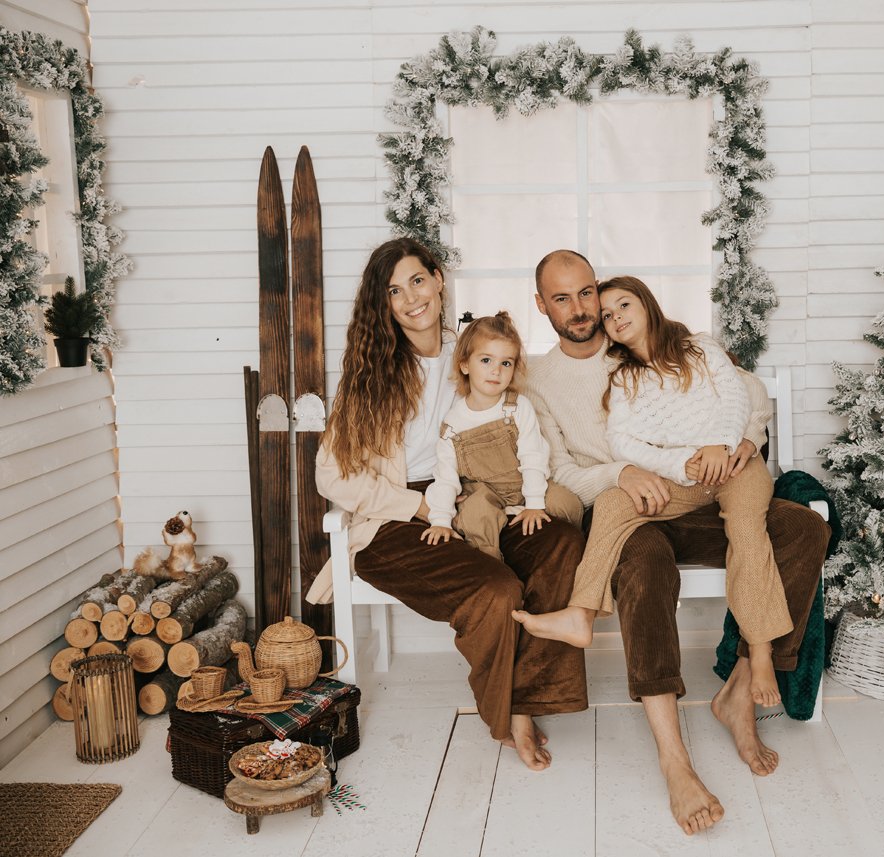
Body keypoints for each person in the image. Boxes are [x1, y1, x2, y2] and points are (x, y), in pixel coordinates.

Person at [522, 249, 830, 834]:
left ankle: (744, 683)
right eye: (562, 299)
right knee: (646, 565)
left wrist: (743, 440)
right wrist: (621, 474)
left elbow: (744, 393)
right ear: (542, 306)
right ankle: (674, 756)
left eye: (588, 293)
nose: (582, 309)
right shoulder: (538, 381)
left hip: (703, 492)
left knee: (802, 527)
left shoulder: (666, 346)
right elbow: (558, 470)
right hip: (632, 511)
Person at [303, 238, 587, 771]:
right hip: (396, 521)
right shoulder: (372, 375)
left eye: (417, 280)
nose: (411, 298)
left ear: (437, 279)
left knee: (561, 544)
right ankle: (510, 716)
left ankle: (528, 699)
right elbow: (331, 474)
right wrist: (414, 505)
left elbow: (519, 423)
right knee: (495, 589)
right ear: (384, 305)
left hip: (477, 498)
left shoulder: (474, 352)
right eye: (394, 291)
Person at [514, 277, 792, 709]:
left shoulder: (698, 348)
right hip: (688, 479)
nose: (616, 317)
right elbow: (623, 443)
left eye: (624, 305)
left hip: (737, 468)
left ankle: (759, 651)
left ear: (647, 304)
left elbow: (737, 396)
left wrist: (725, 443)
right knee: (613, 501)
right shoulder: (625, 379)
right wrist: (681, 464)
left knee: (746, 528)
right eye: (608, 314)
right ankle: (581, 613)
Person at [422, 311, 583, 558]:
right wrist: (440, 520)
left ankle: (577, 552)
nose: (496, 371)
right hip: (485, 493)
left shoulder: (518, 407)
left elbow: (533, 457)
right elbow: (445, 477)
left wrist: (534, 504)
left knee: (568, 503)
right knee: (476, 515)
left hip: (524, 483)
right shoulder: (453, 423)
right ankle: (490, 561)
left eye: (506, 363)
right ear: (464, 365)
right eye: (486, 360)